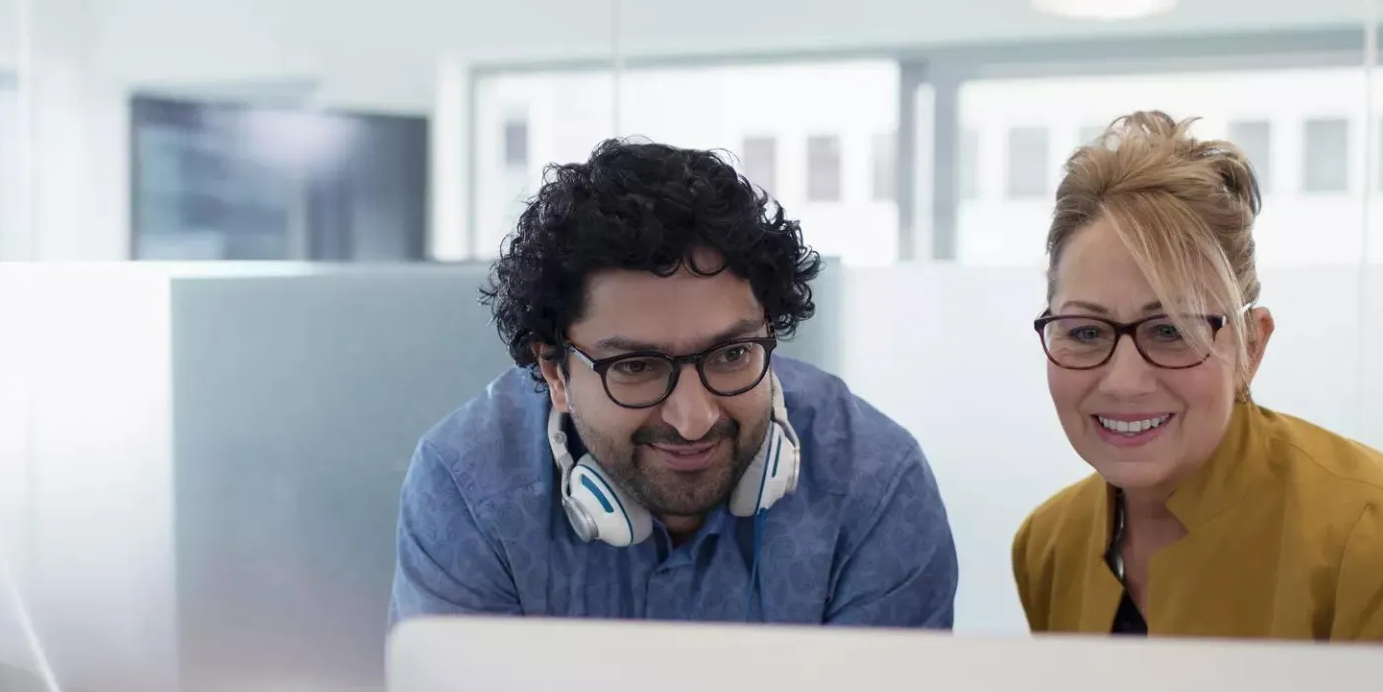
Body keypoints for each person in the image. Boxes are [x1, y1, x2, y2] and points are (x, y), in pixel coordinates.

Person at [392, 138, 958, 627]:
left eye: (732, 354)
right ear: (555, 373)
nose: (694, 418)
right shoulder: (469, 487)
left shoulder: (875, 484)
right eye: (636, 367)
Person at [1013, 112, 1383, 646]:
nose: (1123, 380)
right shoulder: (1050, 545)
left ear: (1251, 347)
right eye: (1086, 332)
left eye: (1170, 330)